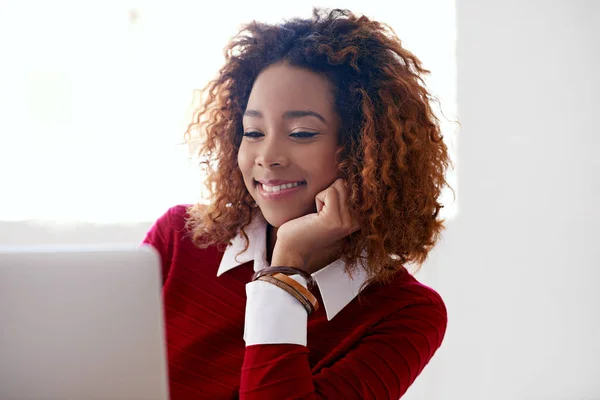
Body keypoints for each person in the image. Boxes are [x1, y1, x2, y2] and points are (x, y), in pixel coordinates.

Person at [144, 7, 451, 399]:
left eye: (302, 133)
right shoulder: (179, 240)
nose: (267, 155)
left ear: (365, 148)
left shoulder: (406, 313)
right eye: (253, 131)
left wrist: (286, 266)